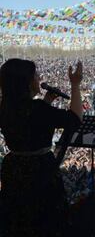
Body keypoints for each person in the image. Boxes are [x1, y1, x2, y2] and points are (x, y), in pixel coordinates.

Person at [0, 59, 83, 236]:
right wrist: (75, 85)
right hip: (39, 169)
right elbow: (75, 119)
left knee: (19, 219)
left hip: (13, 168)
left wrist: (45, 102)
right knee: (44, 220)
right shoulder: (37, 109)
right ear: (27, 82)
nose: (39, 79)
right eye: (36, 75)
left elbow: (26, 122)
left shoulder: (5, 107)